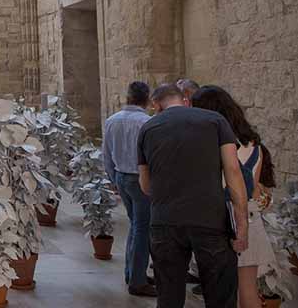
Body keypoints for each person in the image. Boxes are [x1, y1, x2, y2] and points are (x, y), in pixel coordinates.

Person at [137, 84, 249, 308]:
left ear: (157, 105)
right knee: (220, 295)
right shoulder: (216, 121)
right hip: (210, 220)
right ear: (185, 100)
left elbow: (146, 185)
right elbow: (233, 172)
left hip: (165, 221)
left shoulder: (148, 128)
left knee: (169, 296)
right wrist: (242, 222)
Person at [192, 86, 277, 308]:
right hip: (250, 220)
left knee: (219, 293)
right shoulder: (254, 145)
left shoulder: (210, 145)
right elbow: (254, 188)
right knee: (248, 290)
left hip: (220, 222)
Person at [101, 81, 155, 296]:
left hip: (121, 177)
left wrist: (113, 179)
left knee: (136, 226)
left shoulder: (112, 120)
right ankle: (137, 281)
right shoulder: (147, 122)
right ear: (147, 99)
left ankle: (132, 272)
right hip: (140, 179)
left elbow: (106, 153)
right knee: (142, 229)